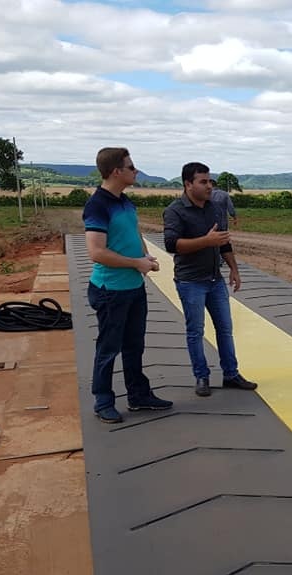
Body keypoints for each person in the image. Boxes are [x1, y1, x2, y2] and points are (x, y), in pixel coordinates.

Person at [83, 147, 172, 423]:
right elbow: (96, 253)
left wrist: (144, 256)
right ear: (115, 172)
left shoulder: (124, 201)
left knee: (135, 344)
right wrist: (136, 264)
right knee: (109, 347)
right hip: (111, 290)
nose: (136, 171)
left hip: (132, 287)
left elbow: (134, 231)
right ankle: (103, 401)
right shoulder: (98, 205)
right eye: (131, 167)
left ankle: (138, 395)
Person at [163, 162, 257, 397]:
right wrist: (206, 241)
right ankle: (201, 376)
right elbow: (172, 245)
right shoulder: (174, 211)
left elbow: (223, 241)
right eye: (203, 181)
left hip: (215, 279)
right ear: (188, 184)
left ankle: (231, 374)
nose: (209, 186)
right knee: (195, 330)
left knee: (225, 329)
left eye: (210, 181)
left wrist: (234, 268)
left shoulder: (214, 207)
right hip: (190, 281)